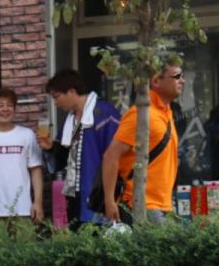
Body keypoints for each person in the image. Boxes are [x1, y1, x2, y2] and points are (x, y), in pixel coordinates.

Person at [101, 61, 184, 225]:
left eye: (183, 76)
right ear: (156, 81)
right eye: (177, 76)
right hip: (143, 205)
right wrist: (109, 201)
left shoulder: (166, 112)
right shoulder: (139, 114)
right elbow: (111, 156)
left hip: (163, 204)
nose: (183, 80)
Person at [38, 69, 121, 227]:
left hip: (99, 194)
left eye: (56, 96)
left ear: (71, 91)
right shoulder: (70, 119)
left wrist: (110, 198)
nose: (55, 103)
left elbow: (116, 156)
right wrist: (50, 147)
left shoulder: (105, 113)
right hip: (75, 197)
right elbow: (64, 159)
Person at [0, 87, 44, 230]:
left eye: (9, 105)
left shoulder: (27, 135)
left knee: (26, 245)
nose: (5, 109)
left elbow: (36, 170)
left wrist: (38, 202)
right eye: (0, 105)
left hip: (23, 209)